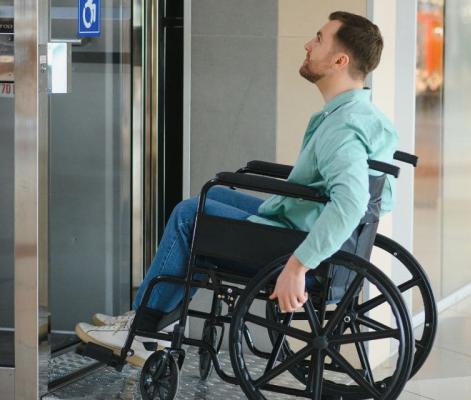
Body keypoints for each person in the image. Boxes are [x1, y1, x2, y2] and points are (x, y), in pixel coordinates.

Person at [75, 11, 397, 367]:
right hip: (302, 223)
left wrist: (298, 266)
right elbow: (377, 200)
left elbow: (352, 203)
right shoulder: (363, 116)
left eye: (318, 39)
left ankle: (144, 328)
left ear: (340, 60)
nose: (308, 44)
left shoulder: (343, 127)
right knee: (214, 198)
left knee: (189, 215)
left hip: (296, 241)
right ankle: (147, 321)